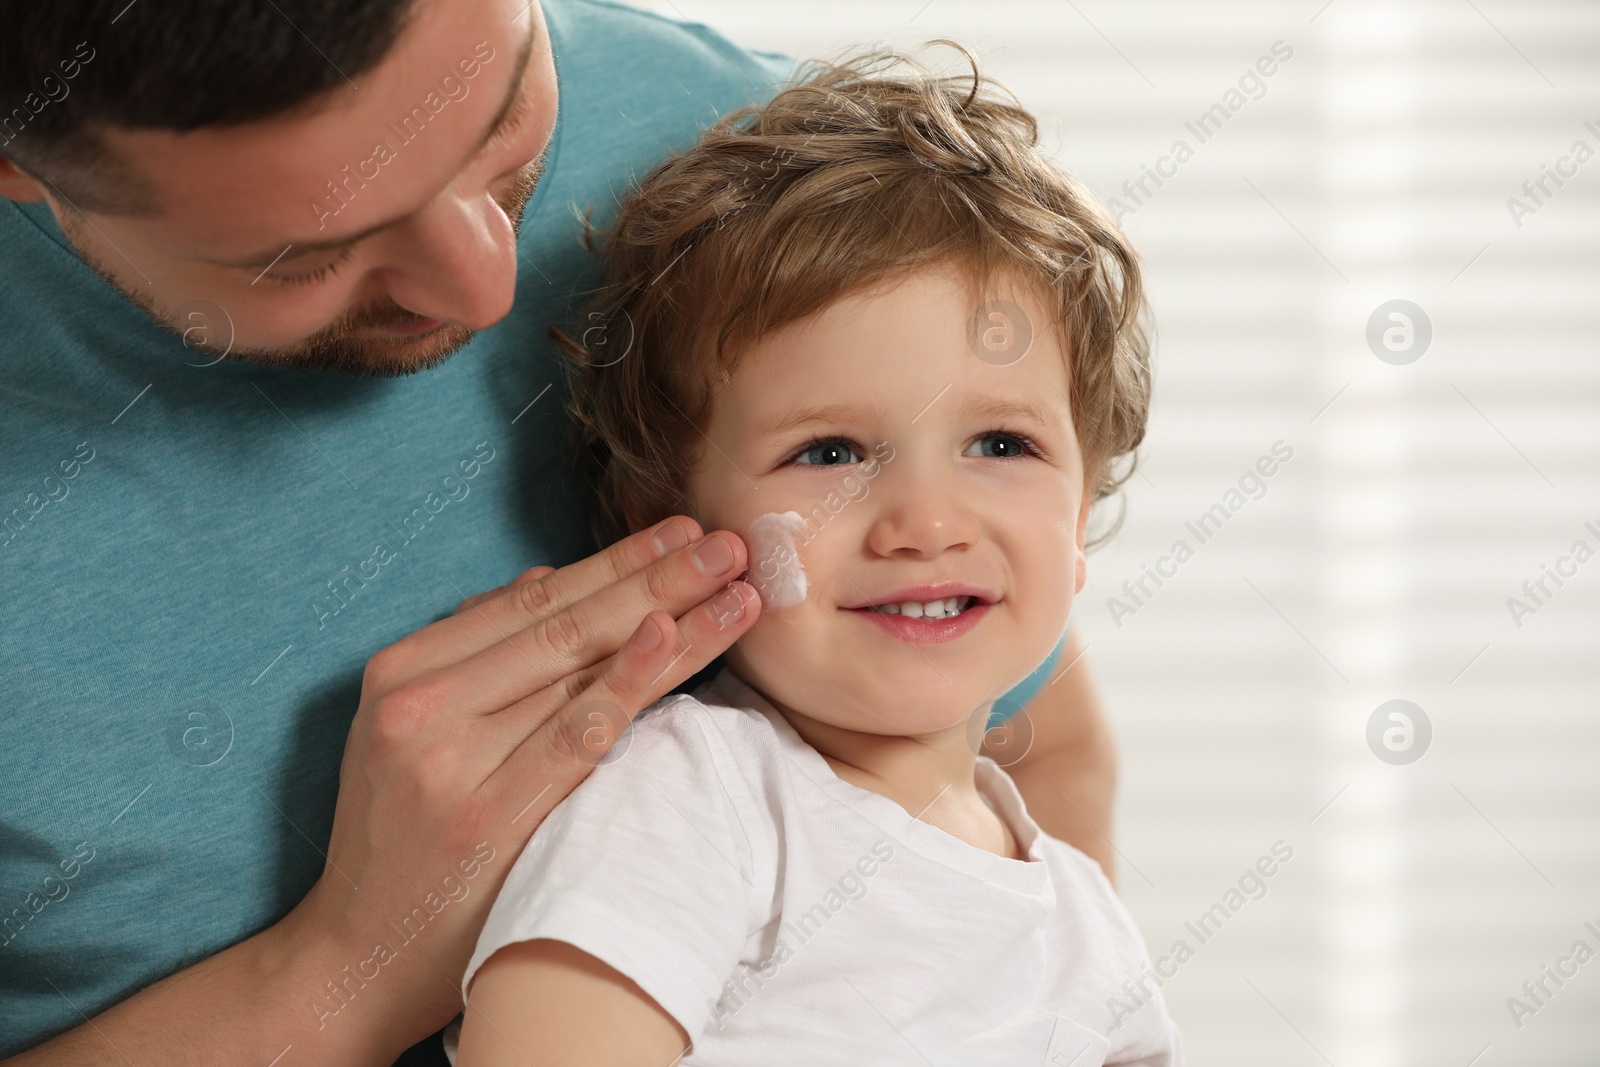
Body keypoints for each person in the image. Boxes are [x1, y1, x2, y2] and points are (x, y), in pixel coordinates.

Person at [0, 2, 1117, 1064]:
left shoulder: (747, 170)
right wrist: (337, 972)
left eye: (504, 124)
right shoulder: (688, 801)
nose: (490, 287)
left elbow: (1036, 739)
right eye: (306, 255)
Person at [452, 50, 1175, 1065]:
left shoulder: (1087, 921)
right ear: (668, 525)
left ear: (1082, 508)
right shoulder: (693, 803)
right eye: (828, 453)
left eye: (1001, 445)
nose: (926, 522)